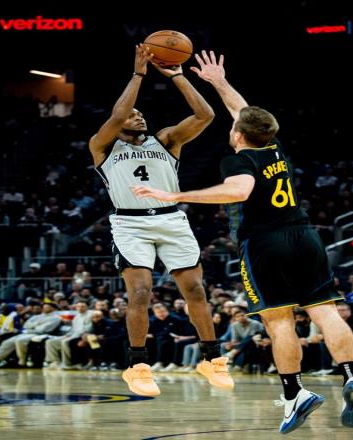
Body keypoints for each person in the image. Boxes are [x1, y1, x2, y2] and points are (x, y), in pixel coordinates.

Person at [132, 50, 353, 433]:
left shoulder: (238, 160)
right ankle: (352, 377)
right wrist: (219, 81)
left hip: (264, 244)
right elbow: (244, 113)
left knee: (279, 321)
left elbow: (239, 190)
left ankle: (295, 394)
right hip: (305, 237)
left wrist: (175, 195)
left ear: (238, 135)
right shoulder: (273, 147)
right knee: (326, 312)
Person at [88, 45, 233, 397]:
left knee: (196, 290)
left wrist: (178, 76)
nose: (138, 116)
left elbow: (205, 115)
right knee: (140, 292)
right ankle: (138, 366)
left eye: (141, 113)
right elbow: (117, 113)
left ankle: (212, 358)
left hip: (171, 219)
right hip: (130, 224)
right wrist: (138, 74)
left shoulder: (166, 140)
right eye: (132, 114)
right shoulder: (102, 146)